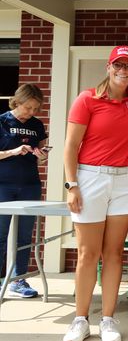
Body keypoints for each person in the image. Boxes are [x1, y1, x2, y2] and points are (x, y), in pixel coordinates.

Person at [63, 45, 128, 341]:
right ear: (108, 67)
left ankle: (108, 319)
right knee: (87, 253)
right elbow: (70, 146)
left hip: (125, 181)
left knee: (114, 253)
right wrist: (72, 185)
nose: (123, 71)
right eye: (118, 65)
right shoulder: (88, 99)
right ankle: (80, 319)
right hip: (90, 177)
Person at [0, 84, 49, 298]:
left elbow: (44, 154)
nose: (31, 113)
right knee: (0, 235)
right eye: (28, 107)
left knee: (25, 235)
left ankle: (19, 280)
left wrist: (42, 154)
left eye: (35, 109)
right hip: (3, 185)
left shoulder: (36, 125)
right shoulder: (2, 121)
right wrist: (13, 151)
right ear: (17, 101)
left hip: (30, 185)